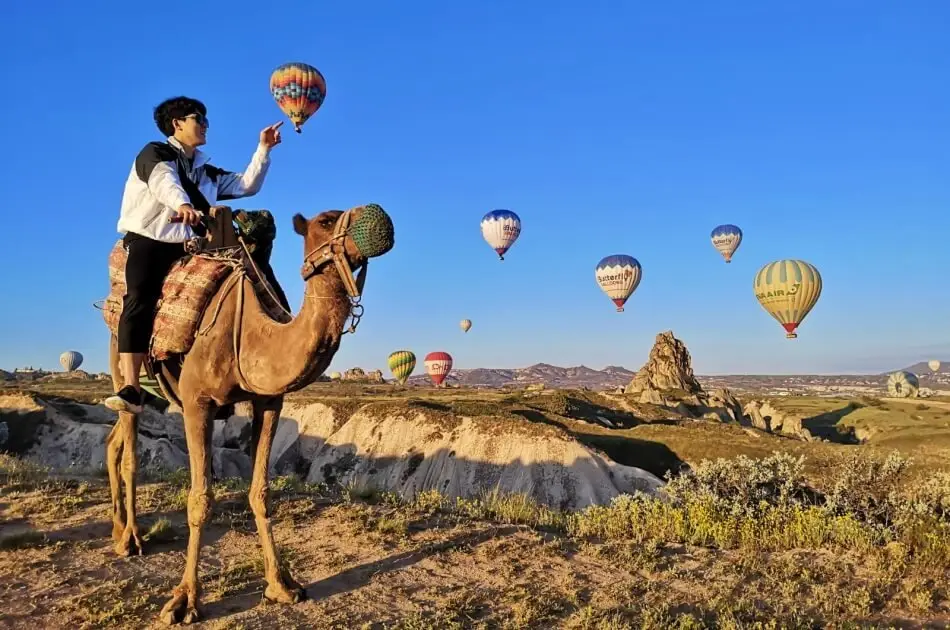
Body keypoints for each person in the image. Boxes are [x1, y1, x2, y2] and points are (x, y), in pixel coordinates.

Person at [105, 96, 284, 414]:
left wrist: (264, 149)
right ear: (177, 124)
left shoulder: (207, 172)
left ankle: (227, 373)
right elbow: (165, 182)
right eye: (198, 118)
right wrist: (183, 206)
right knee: (139, 299)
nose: (205, 125)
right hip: (151, 241)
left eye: (205, 120)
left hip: (190, 247)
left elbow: (246, 186)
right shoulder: (154, 153)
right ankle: (131, 387)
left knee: (237, 288)